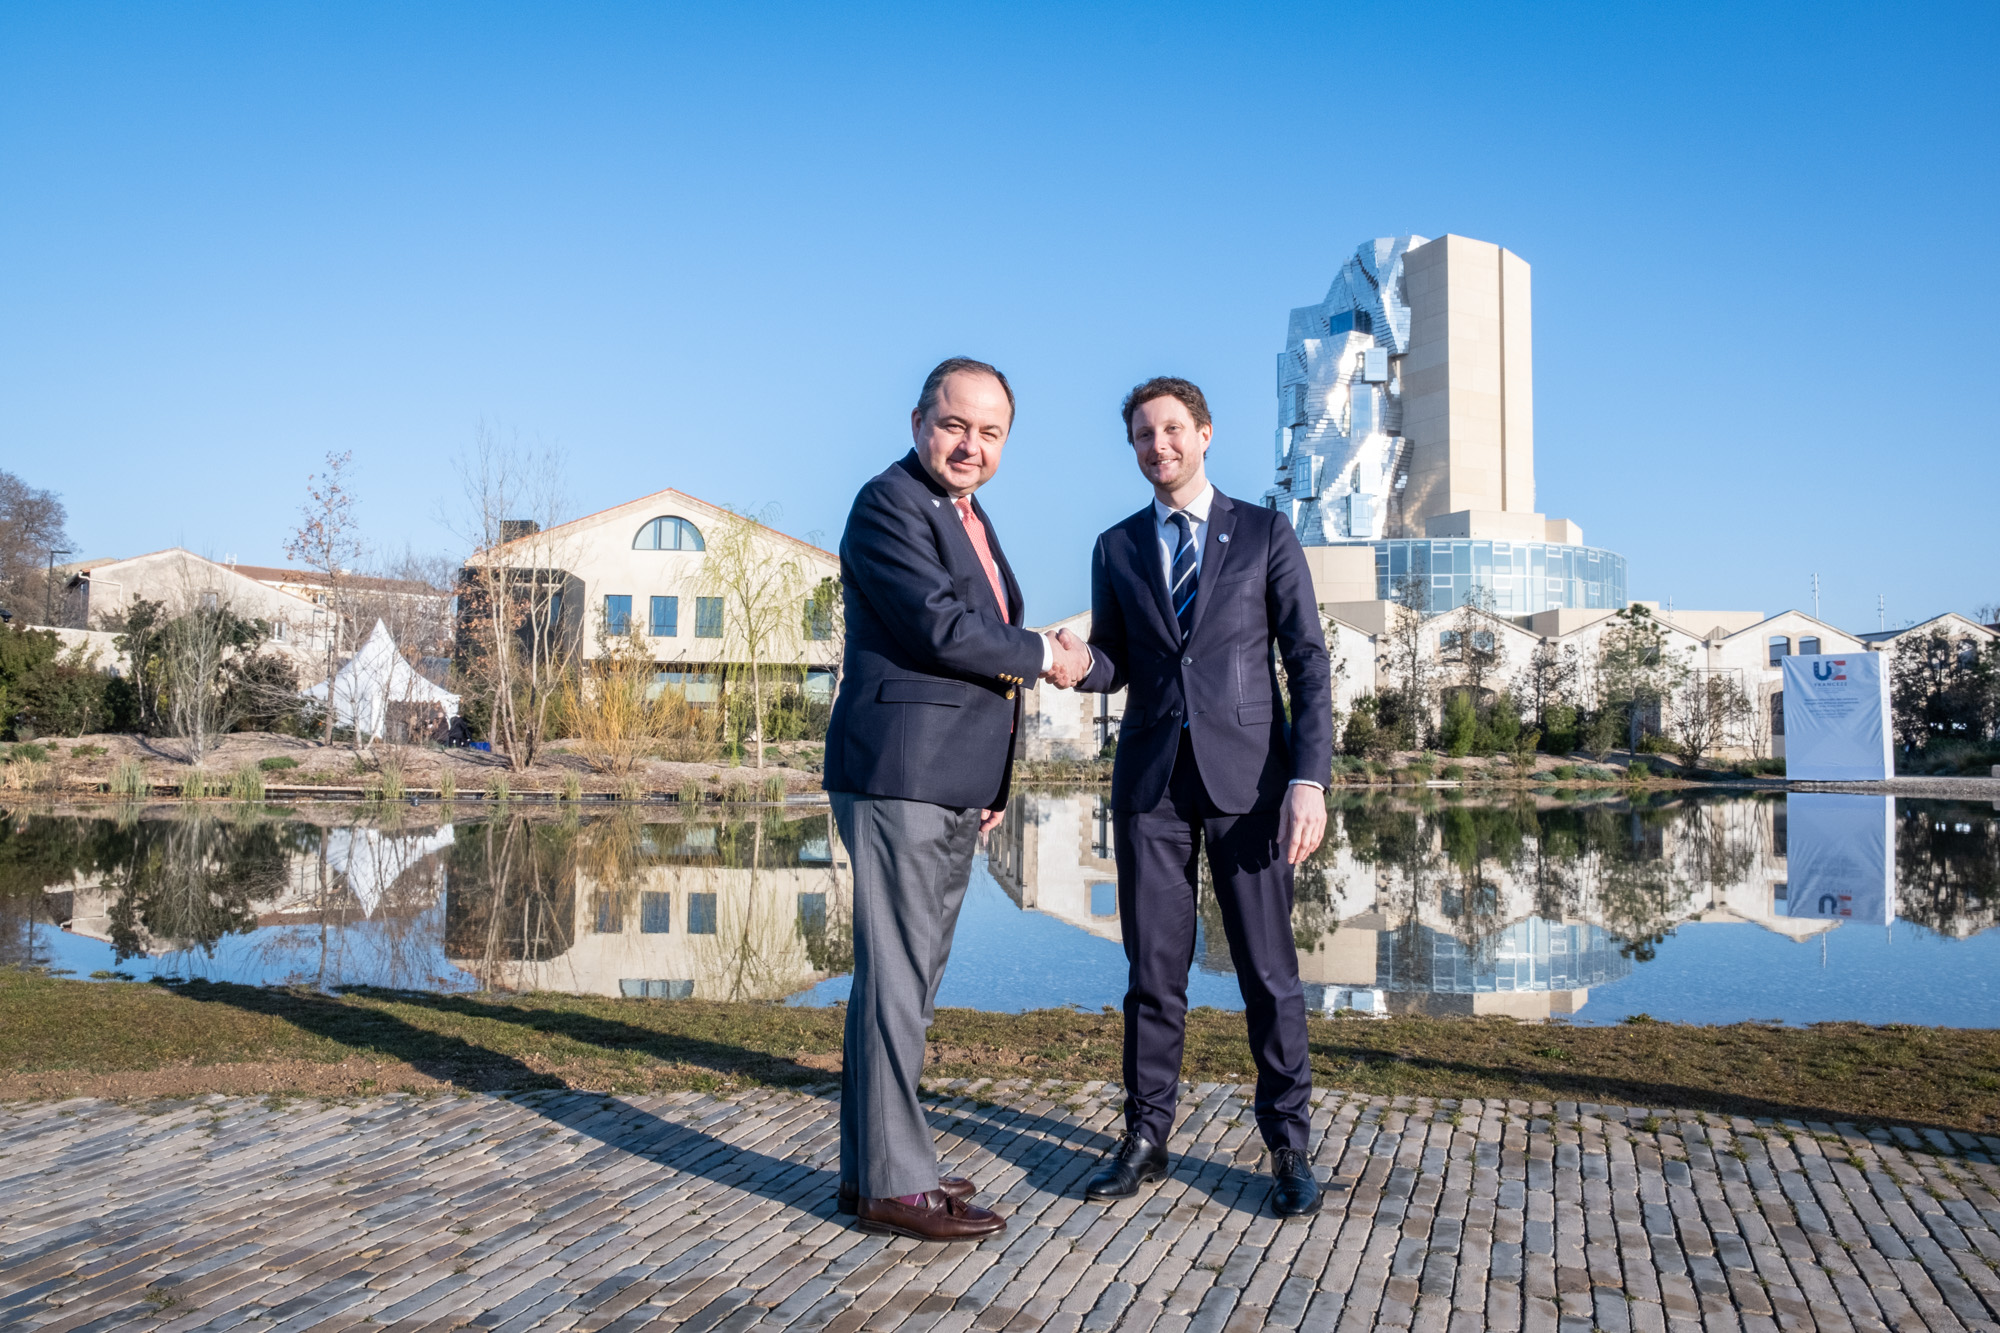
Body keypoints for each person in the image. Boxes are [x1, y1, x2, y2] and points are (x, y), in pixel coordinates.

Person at [823, 356, 1091, 1242]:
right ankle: (897, 1185)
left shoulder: (967, 514)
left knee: (904, 981)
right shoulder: (889, 504)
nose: (971, 444)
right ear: (918, 423)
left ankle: (874, 1168)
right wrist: (1044, 652)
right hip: (900, 773)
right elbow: (943, 629)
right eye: (955, 424)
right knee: (899, 981)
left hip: (946, 779)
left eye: (990, 432)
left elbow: (973, 646)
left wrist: (990, 780)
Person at [1063, 375, 1331, 1217]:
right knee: (1153, 974)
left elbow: (1307, 659)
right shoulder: (1115, 546)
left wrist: (1308, 778)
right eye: (1144, 434)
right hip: (1151, 786)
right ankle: (1146, 1137)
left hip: (1251, 784)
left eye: (1173, 429)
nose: (1159, 445)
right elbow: (1118, 661)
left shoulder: (1263, 532)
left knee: (1268, 973)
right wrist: (1078, 661)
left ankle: (1288, 1146)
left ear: (1205, 433)